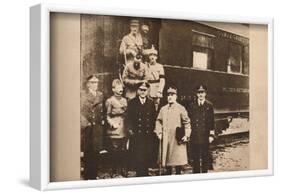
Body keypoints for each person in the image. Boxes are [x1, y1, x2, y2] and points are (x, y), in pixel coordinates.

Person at [155, 86, 191, 175]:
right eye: (168, 95)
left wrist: (186, 135)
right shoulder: (163, 109)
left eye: (172, 95)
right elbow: (158, 121)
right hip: (166, 139)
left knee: (177, 163)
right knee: (167, 163)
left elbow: (187, 123)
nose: (170, 97)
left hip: (176, 139)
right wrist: (159, 131)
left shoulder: (181, 108)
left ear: (176, 96)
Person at [127, 81, 157, 177]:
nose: (143, 92)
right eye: (141, 90)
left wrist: (154, 130)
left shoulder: (151, 103)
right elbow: (128, 118)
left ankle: (145, 173)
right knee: (138, 155)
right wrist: (130, 130)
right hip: (137, 134)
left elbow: (153, 118)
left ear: (147, 91)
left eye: (145, 90)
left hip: (147, 134)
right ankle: (140, 174)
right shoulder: (132, 102)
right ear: (137, 90)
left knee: (147, 154)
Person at [81, 75, 105, 180]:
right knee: (88, 151)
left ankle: (94, 174)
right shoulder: (83, 95)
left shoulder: (100, 95)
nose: (95, 84)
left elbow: (102, 110)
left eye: (96, 82)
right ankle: (87, 175)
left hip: (97, 128)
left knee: (96, 152)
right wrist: (85, 123)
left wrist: (102, 121)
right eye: (93, 82)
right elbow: (78, 112)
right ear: (88, 84)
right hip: (88, 128)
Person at [188, 85, 214, 173]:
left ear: (205, 94)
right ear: (196, 94)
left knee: (204, 156)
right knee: (195, 157)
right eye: (199, 93)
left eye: (202, 92)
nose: (200, 95)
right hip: (195, 135)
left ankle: (204, 174)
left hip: (205, 136)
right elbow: (189, 120)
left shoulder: (209, 106)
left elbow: (211, 121)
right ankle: (196, 174)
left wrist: (211, 135)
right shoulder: (192, 105)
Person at [105, 79, 128, 178]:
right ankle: (114, 170)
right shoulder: (110, 101)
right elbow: (107, 116)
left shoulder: (124, 100)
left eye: (121, 88)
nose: (121, 89)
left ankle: (122, 169)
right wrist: (112, 124)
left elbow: (127, 114)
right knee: (114, 150)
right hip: (114, 128)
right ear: (113, 89)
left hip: (123, 127)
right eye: (118, 88)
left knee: (123, 150)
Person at [146, 46, 165, 111]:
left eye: (154, 55)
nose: (152, 57)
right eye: (150, 55)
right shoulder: (146, 66)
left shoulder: (160, 67)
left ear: (156, 57)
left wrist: (159, 91)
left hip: (156, 89)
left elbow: (162, 80)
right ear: (148, 57)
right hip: (147, 89)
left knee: (155, 108)